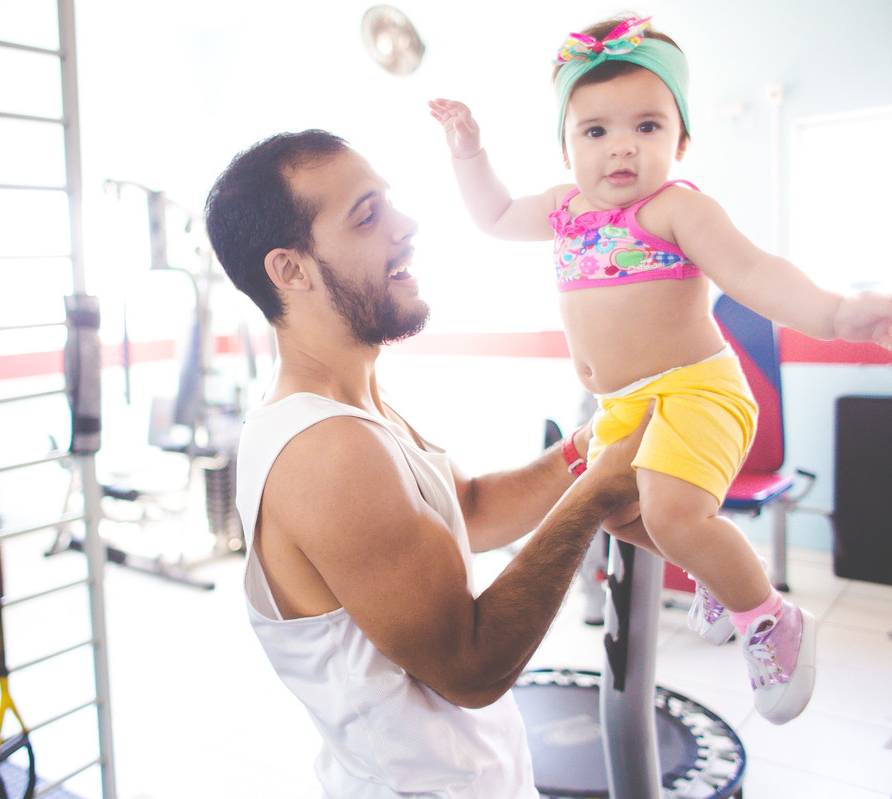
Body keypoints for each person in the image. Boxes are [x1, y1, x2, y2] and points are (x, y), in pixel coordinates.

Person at [429, 15, 892, 726]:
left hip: (696, 391)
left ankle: (769, 615)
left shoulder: (676, 208)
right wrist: (469, 153)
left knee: (673, 514)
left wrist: (836, 314)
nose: (622, 146)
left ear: (680, 140)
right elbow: (491, 215)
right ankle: (715, 566)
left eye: (647, 127)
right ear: (565, 149)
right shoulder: (563, 212)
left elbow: (753, 272)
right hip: (619, 406)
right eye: (596, 131)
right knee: (615, 512)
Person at [204, 129, 649, 797]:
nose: (406, 227)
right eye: (368, 215)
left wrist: (589, 446)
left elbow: (466, 509)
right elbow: (470, 665)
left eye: (391, 204)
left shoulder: (361, 406)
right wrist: (593, 497)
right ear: (290, 270)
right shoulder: (325, 451)